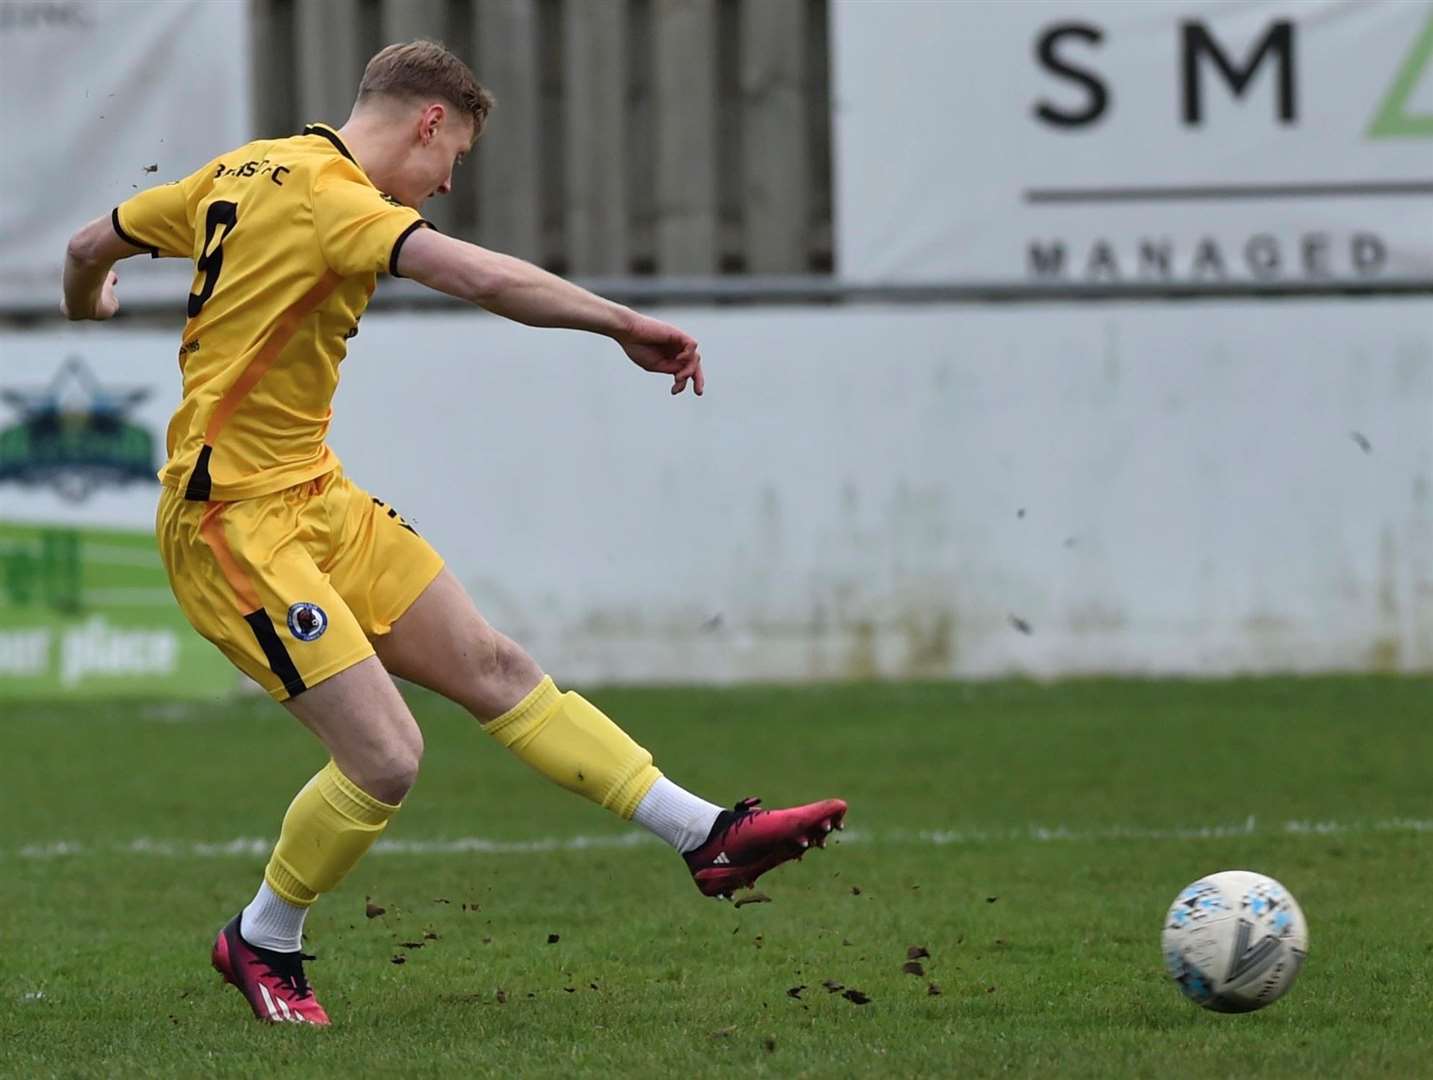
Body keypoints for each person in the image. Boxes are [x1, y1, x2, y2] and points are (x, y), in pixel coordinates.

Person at [60, 39, 845, 1026]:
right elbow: (479, 278)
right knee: (384, 757)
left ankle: (705, 836)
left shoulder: (238, 170)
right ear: (429, 120)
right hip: (231, 528)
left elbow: (91, 247)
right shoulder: (334, 199)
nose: (441, 186)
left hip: (315, 496)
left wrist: (89, 306)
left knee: (493, 666)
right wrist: (618, 323)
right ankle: (262, 938)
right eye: (453, 160)